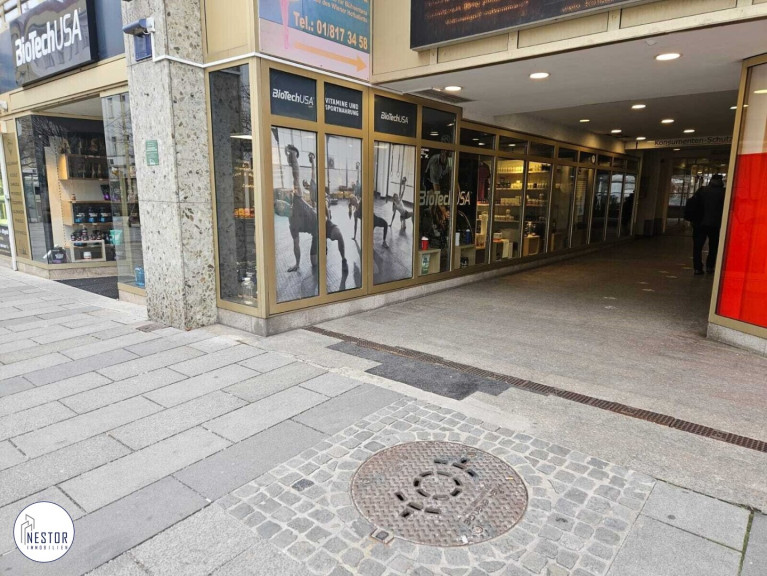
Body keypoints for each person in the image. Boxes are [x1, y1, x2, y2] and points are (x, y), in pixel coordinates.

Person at [690, 174, 726, 275]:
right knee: (713, 246)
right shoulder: (724, 193)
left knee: (697, 247)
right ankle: (710, 266)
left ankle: (697, 268)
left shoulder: (702, 190)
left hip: (699, 223)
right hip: (716, 224)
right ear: (721, 182)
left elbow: (693, 204)